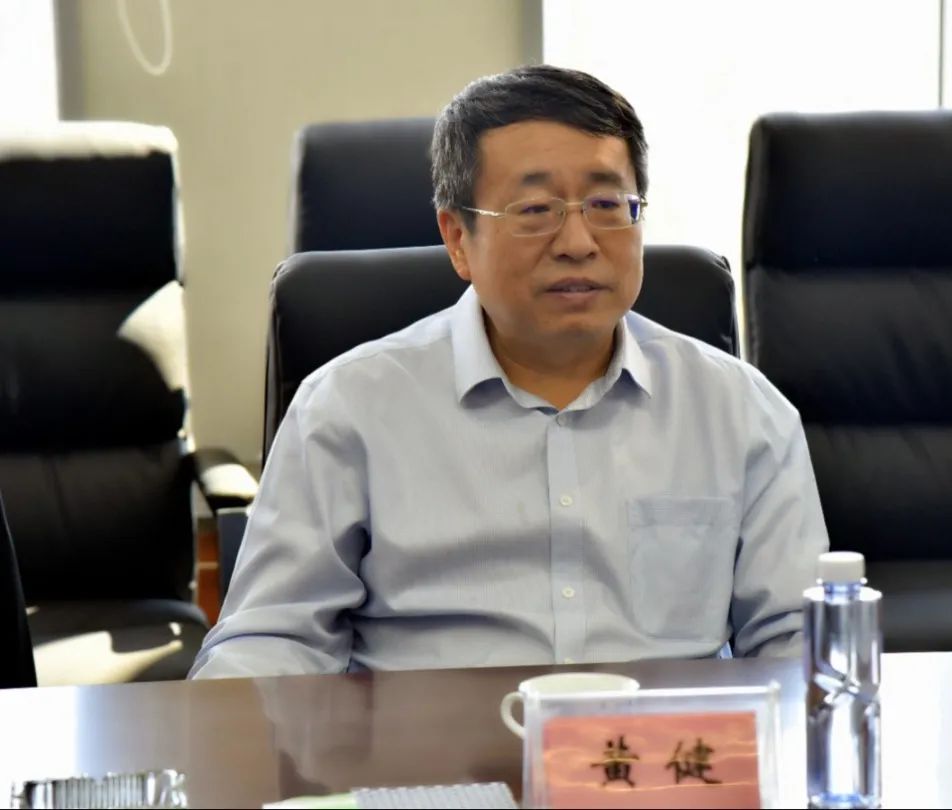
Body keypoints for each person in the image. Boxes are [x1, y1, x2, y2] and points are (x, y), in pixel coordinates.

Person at [190, 65, 828, 678]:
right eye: (535, 210)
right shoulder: (348, 409)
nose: (578, 242)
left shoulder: (742, 411)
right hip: (431, 749)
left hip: (656, 747)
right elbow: (273, 640)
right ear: (457, 239)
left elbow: (799, 640)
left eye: (607, 203)